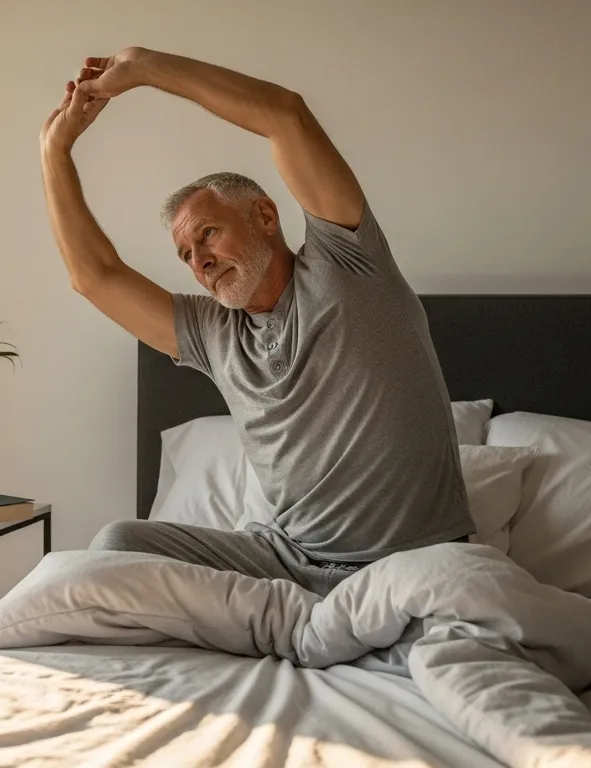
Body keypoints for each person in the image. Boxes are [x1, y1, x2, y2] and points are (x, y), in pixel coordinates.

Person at [39, 47, 474, 596]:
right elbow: (94, 276)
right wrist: (54, 147)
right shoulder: (212, 334)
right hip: (286, 566)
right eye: (185, 256)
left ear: (265, 216)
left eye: (207, 235)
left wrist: (143, 68)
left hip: (410, 567)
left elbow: (285, 115)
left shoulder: (349, 265)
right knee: (118, 543)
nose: (199, 261)